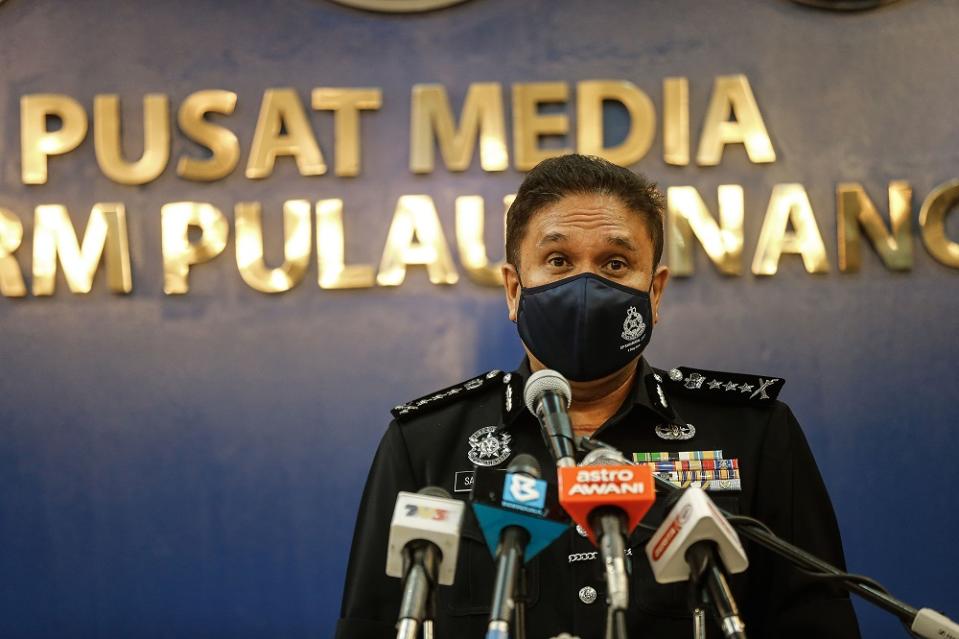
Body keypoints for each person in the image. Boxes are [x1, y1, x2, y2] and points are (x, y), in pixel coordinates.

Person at [335, 154, 861, 638]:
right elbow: (372, 625)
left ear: (654, 293)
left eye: (614, 264)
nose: (585, 285)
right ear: (515, 290)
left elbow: (818, 625)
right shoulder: (424, 445)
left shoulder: (751, 432)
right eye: (559, 260)